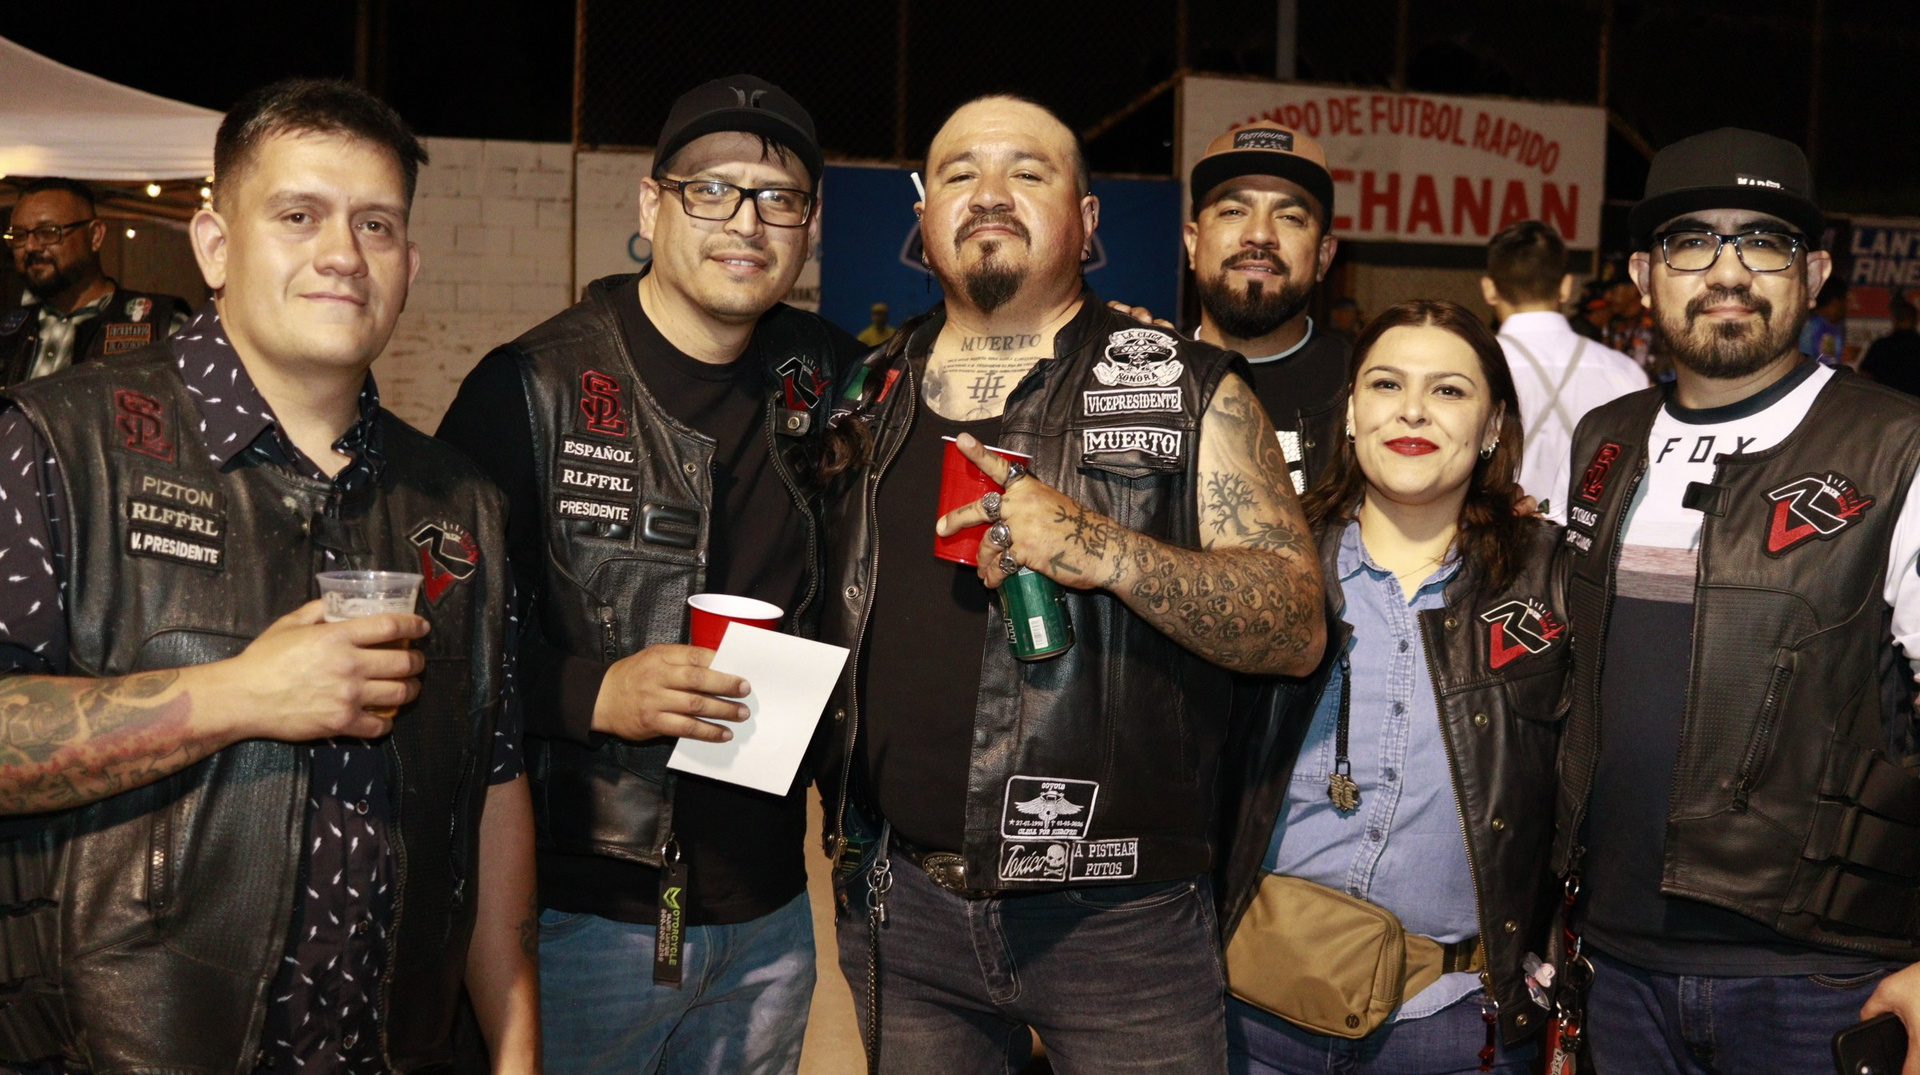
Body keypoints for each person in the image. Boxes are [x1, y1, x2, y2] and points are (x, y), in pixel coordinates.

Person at [0, 80, 537, 1072]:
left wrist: (515, 1045)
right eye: (298, 215)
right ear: (215, 246)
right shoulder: (62, 446)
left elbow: (493, 785)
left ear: (409, 265)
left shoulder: (459, 503)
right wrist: (239, 695)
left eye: (375, 224)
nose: (343, 253)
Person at [818, 94, 1326, 1075]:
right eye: (960, 173)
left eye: (1028, 171)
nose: (989, 193)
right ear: (924, 218)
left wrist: (1104, 548)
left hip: (1120, 925)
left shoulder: (1189, 386)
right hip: (903, 908)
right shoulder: (863, 395)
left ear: (1088, 222)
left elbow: (1295, 625)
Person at [438, 74, 860, 1075]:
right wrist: (595, 692)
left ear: (808, 228)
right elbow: (440, 640)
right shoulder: (531, 388)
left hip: (770, 920)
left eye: (778, 197)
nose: (745, 221)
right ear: (650, 205)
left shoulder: (837, 384)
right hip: (581, 919)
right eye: (710, 189)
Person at [1552, 127, 1920, 1074]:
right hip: (1616, 966)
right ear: (1644, 275)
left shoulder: (1897, 446)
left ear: (1815, 273)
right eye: (1691, 241)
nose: (1727, 271)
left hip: (1820, 978)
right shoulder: (1602, 440)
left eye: (1763, 241)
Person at [1217, 300, 1567, 1074]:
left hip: (1452, 1024)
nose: (1412, 409)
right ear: (1350, 412)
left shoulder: (1555, 581)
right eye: (1386, 384)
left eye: (1449, 390)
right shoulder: (1267, 563)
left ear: (1493, 424)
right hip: (1251, 1015)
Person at [1185, 122, 1348, 495]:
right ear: (1192, 243)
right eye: (1233, 211)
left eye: (1290, 217)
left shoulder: (1368, 392)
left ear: (1324, 257)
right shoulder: (1136, 381)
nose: (1259, 235)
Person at [1479, 220, 1645, 523]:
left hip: (1495, 535)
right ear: (1567, 287)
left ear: (1489, 289)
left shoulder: (1475, 366)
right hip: (1593, 541)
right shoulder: (1624, 371)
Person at [0, 177, 189, 385]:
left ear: (95, 236)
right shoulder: (9, 332)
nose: (30, 247)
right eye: (19, 236)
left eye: (48, 233)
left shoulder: (160, 325)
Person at [1861, 296, 1920, 396]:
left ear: (1894, 320)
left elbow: (1864, 376)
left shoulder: (1881, 346)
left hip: (1884, 401)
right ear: (1916, 320)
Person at [1800, 280, 1848, 366]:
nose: (1846, 308)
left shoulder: (1830, 326)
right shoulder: (1817, 328)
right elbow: (1828, 363)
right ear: (1835, 302)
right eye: (1844, 302)